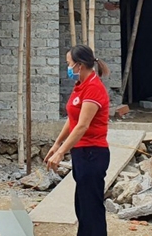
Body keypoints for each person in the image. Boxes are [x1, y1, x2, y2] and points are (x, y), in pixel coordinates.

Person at [45, 45, 110, 236]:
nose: (68, 67)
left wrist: (60, 152)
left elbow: (82, 125)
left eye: (69, 64)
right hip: (81, 153)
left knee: (91, 208)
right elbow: (72, 119)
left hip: (93, 152)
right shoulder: (80, 86)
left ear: (79, 66)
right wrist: (57, 144)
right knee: (82, 205)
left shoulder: (94, 88)